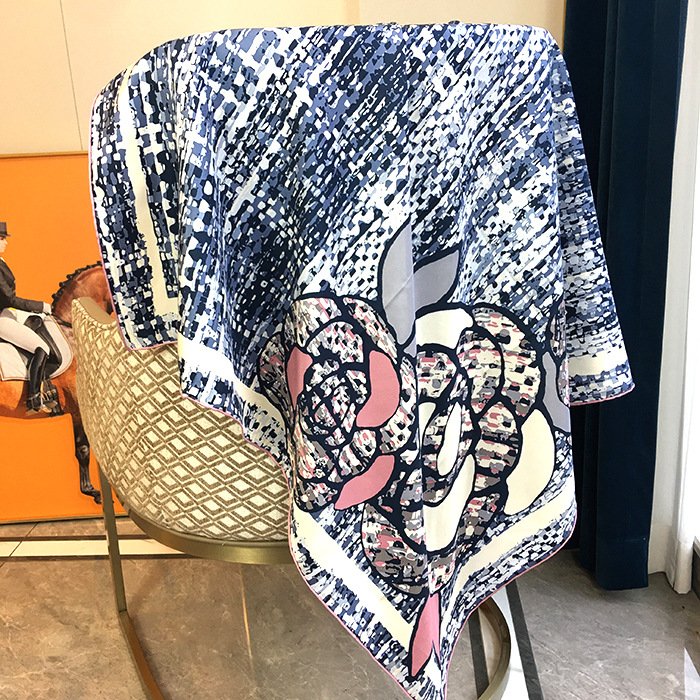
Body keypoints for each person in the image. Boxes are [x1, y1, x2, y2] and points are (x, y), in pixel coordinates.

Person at [0, 222, 61, 414]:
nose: (5, 243)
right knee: (41, 347)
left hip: (7, 312)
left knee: (40, 322)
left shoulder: (1, 261)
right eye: (1, 239)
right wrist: (40, 306)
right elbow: (9, 299)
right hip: (1, 317)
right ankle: (34, 399)